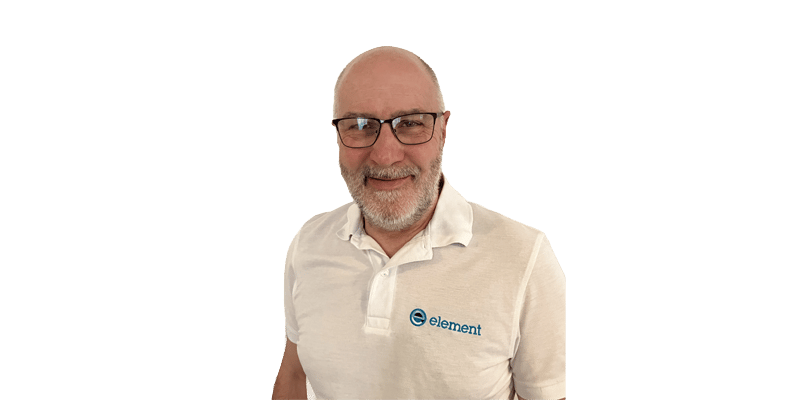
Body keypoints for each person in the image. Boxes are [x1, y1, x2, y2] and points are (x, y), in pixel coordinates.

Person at [272, 46, 566, 400]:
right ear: (338, 135)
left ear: (443, 129)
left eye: (410, 124)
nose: (384, 154)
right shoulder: (309, 243)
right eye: (360, 126)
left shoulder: (524, 257)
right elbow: (295, 374)